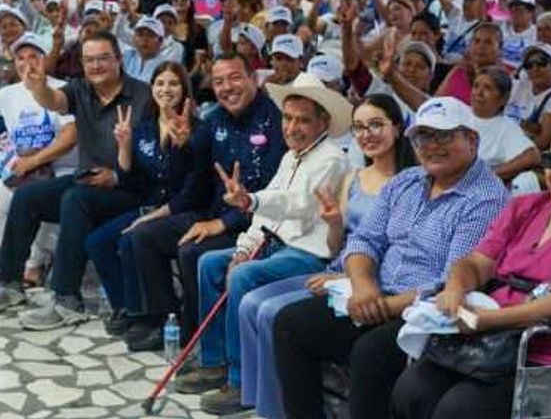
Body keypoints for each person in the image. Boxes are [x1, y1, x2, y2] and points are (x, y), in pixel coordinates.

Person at [272, 96, 509, 419]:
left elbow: (452, 280)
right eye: (423, 137)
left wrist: (383, 306)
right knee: (291, 323)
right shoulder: (406, 181)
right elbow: (363, 241)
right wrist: (364, 286)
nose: (431, 146)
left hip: (429, 312)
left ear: (472, 139)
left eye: (443, 136)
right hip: (373, 296)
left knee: (371, 353)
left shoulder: (485, 198)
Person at [391, 114, 551, 419]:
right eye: (550, 159)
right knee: (412, 391)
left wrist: (495, 320)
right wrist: (455, 288)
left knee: (461, 410)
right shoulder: (527, 206)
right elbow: (477, 262)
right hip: (490, 339)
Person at [237, 93, 417, 419]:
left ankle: (279, 409)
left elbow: (395, 249)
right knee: (254, 304)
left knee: (273, 312)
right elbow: (337, 247)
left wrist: (349, 276)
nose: (367, 134)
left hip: (368, 279)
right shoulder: (353, 178)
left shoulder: (410, 183)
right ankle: (264, 405)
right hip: (338, 269)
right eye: (360, 127)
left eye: (376, 125)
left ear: (398, 128)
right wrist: (334, 223)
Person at [184, 72, 352, 415]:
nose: (292, 127)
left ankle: (239, 380)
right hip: (276, 245)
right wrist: (245, 246)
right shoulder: (292, 156)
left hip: (309, 255)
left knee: (242, 277)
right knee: (209, 263)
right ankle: (214, 362)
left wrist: (251, 202)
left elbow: (300, 206)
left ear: (323, 121)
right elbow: (267, 216)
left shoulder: (331, 158)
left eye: (303, 120)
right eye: (288, 118)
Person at [0, 31, 151, 331]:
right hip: (90, 180)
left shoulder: (143, 95)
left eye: (103, 58)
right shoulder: (80, 89)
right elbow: (55, 101)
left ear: (119, 60)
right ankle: (9, 283)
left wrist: (119, 175)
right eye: (89, 60)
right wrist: (39, 85)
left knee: (75, 200)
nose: (96, 66)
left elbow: (154, 152)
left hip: (131, 186)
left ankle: (67, 300)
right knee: (27, 196)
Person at [126, 53, 286, 351]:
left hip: (253, 226)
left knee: (191, 252)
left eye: (235, 78)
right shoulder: (212, 121)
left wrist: (223, 222)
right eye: (218, 81)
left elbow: (275, 196)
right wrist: (181, 147)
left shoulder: (276, 121)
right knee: (143, 236)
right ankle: (168, 320)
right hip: (210, 213)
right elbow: (192, 182)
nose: (227, 87)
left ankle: (198, 336)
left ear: (254, 78)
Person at [87, 61, 204, 337]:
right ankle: (126, 307)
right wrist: (124, 147)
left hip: (181, 210)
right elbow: (131, 181)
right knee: (98, 242)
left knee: (132, 238)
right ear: (151, 88)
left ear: (184, 89)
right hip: (148, 205)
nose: (166, 89)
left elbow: (194, 188)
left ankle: (151, 314)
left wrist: (152, 216)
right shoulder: (144, 127)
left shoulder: (197, 128)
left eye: (173, 83)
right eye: (160, 83)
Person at [0, 33, 78, 287]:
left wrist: (34, 162)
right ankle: (30, 259)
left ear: (45, 60)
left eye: (34, 56)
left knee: (35, 197)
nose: (27, 63)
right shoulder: (10, 93)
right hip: (25, 170)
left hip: (62, 167)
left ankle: (38, 262)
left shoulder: (61, 89)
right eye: (21, 58)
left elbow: (70, 137)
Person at [470, 67, 541, 192]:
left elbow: (532, 156)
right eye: (476, 86)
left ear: (504, 98)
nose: (479, 92)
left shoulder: (507, 128)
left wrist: (488, 174)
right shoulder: (458, 112)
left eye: (488, 88)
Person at [506, 43, 551, 150]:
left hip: (524, 155)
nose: (535, 68)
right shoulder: (517, 86)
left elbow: (542, 142)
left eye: (541, 62)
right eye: (529, 65)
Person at [499, 0, 538, 70]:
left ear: (530, 12)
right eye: (511, 9)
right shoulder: (502, 27)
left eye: (519, 10)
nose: (514, 13)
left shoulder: (537, 34)